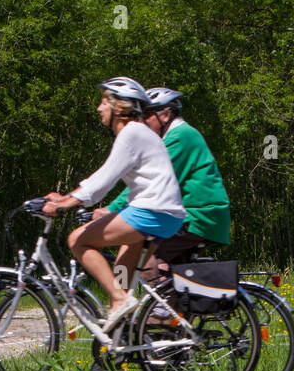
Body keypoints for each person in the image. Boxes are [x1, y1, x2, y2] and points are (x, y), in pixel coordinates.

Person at [42, 77, 186, 324]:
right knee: (121, 274)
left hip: (152, 212)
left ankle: (120, 301)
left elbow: (104, 178)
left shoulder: (132, 133)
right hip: (163, 215)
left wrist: (65, 203)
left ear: (119, 107)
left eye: (103, 102)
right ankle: (123, 339)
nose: (99, 108)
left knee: (78, 239)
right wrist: (67, 197)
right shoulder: (140, 133)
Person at [96, 86, 231, 280]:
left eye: (147, 116)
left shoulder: (181, 137)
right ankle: (170, 307)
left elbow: (152, 182)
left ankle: (144, 306)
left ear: (165, 115)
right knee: (170, 274)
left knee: (141, 250)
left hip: (198, 216)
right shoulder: (176, 137)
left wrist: (112, 209)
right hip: (197, 216)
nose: (141, 122)